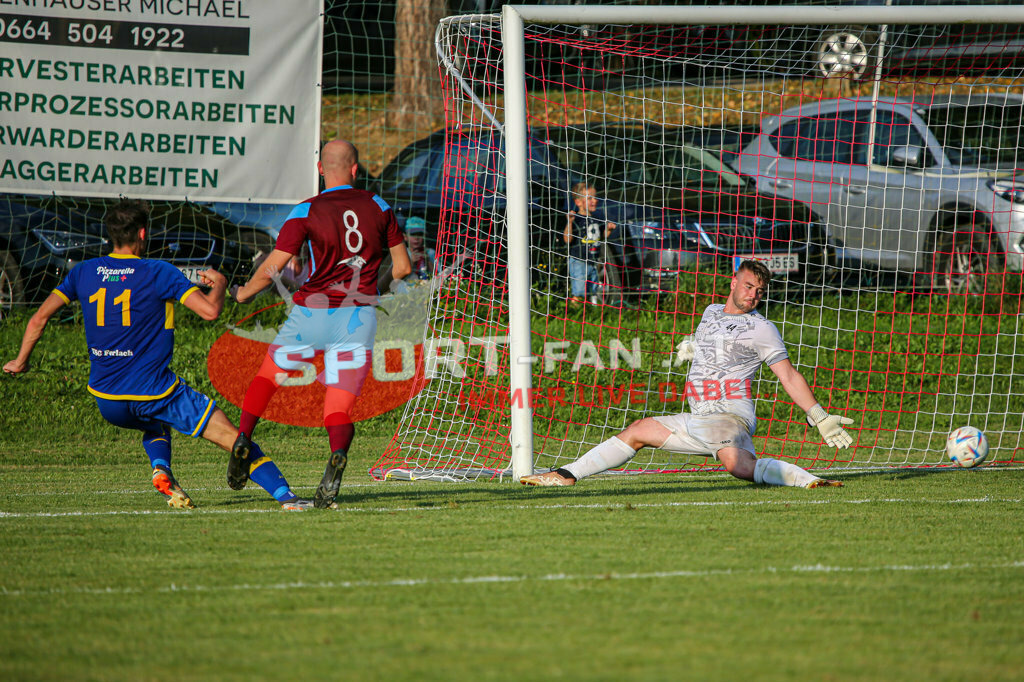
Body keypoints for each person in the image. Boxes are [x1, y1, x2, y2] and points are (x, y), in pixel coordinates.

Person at [3, 199, 313, 510]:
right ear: (142, 233)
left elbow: (38, 319)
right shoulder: (158, 271)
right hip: (157, 392)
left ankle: (162, 469)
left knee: (153, 423)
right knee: (237, 441)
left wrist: (20, 360)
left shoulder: (83, 272)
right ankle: (288, 497)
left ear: (110, 234)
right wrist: (218, 284)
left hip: (107, 399)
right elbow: (209, 312)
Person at [522, 260, 854, 488]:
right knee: (638, 429)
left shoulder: (761, 328)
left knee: (738, 467)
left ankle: (808, 480)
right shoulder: (711, 312)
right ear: (734, 282)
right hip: (699, 415)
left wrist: (818, 415)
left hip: (727, 414)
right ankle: (566, 474)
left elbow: (788, 375)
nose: (754, 295)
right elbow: (717, 345)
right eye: (750, 286)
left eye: (759, 291)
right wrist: (693, 345)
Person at [231, 139, 412, 509]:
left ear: (320, 171)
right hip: (357, 317)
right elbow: (404, 268)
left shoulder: (305, 210)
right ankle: (335, 458)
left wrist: (244, 293)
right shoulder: (378, 205)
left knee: (267, 379)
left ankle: (242, 439)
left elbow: (273, 268)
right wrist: (370, 292)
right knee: (337, 409)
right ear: (355, 170)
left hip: (310, 315)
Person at [565, 182, 616, 304]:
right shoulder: (576, 219)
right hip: (579, 260)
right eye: (590, 198)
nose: (595, 200)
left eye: (595, 197)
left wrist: (608, 230)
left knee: (592, 289)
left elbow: (601, 237)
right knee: (579, 291)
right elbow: (567, 239)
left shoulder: (597, 217)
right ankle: (575, 310)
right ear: (578, 202)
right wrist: (570, 223)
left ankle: (589, 312)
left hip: (593, 260)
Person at [403, 216, 435, 280]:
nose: (416, 238)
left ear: (424, 236)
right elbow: (395, 278)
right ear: (405, 237)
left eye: (420, 234)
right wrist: (411, 262)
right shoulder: (402, 253)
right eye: (413, 234)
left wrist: (428, 261)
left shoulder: (431, 253)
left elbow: (438, 275)